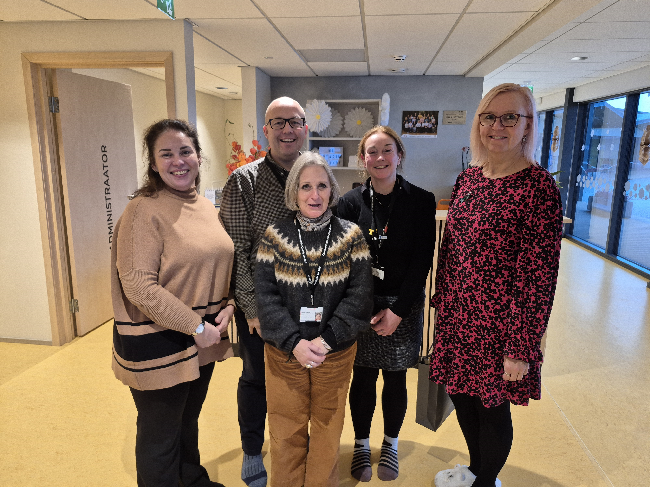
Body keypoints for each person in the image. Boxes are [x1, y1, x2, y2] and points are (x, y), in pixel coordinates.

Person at [430, 83, 563, 487]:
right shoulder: (468, 179)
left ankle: (486, 481)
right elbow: (451, 247)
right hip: (459, 317)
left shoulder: (539, 189)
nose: (497, 126)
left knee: (491, 407)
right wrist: (442, 302)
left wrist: (521, 347)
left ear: (528, 126)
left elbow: (539, 277)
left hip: (501, 326)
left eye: (510, 117)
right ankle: (476, 470)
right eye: (489, 117)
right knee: (462, 396)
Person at [111, 119, 235, 487]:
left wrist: (229, 304)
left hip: (201, 338)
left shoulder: (205, 206)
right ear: (153, 163)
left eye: (185, 151)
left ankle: (191, 479)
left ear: (198, 157)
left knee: (187, 420)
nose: (178, 161)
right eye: (166, 154)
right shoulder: (143, 211)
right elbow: (138, 286)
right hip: (160, 340)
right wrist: (195, 326)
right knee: (160, 436)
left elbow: (218, 262)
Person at [255, 152, 373, 487]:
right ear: (294, 192)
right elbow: (266, 297)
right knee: (285, 431)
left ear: (332, 190)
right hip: (284, 353)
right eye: (306, 186)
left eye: (322, 185)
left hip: (334, 354)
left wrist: (326, 340)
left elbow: (360, 297)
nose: (314, 195)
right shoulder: (274, 236)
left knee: (327, 431)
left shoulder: (351, 236)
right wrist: (294, 343)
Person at [337, 126, 437, 482]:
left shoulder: (421, 200)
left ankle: (391, 444)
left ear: (399, 155)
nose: (379, 158)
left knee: (396, 378)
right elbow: (342, 261)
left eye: (387, 150)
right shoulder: (349, 203)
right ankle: (361, 444)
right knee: (362, 376)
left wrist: (397, 311)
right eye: (372, 151)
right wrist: (360, 307)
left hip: (403, 305)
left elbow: (422, 261)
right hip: (360, 304)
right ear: (363, 159)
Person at [219, 97, 309, 487]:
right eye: (278, 123)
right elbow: (236, 249)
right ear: (265, 130)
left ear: (305, 127)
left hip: (308, 303)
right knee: (257, 378)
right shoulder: (244, 181)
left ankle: (297, 447)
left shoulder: (314, 172)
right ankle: (253, 450)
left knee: (304, 379)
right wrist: (251, 307)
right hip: (259, 303)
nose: (287, 130)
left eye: (294, 121)